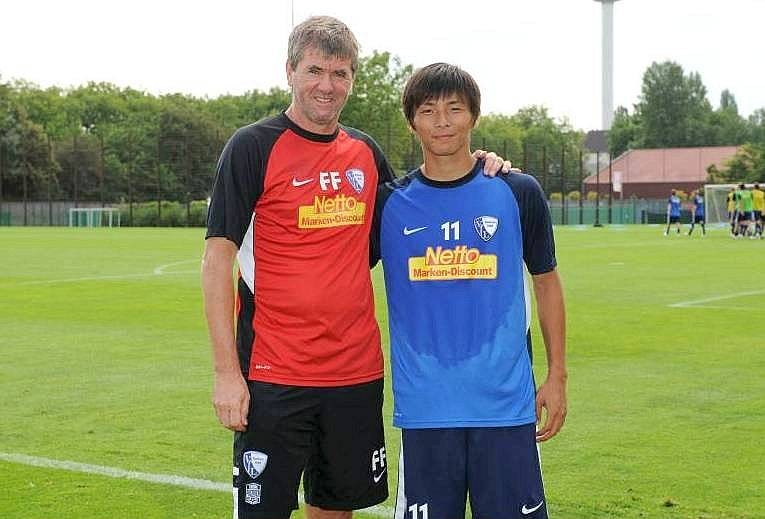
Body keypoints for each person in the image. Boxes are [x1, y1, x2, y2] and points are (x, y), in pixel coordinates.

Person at [201, 16, 510, 519]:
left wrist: (483, 168)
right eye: (315, 70)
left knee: (335, 509)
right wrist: (225, 373)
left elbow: (425, 202)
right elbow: (217, 262)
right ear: (290, 72)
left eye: (340, 73)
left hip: (354, 371)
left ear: (352, 79)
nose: (327, 85)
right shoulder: (253, 147)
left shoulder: (364, 152)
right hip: (273, 371)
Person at [372, 63, 567, 519]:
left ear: (474, 117)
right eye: (428, 110)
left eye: (454, 109)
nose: (442, 121)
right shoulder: (389, 203)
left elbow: (547, 284)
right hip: (426, 409)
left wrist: (557, 376)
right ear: (412, 121)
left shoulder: (517, 192)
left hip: (506, 407)